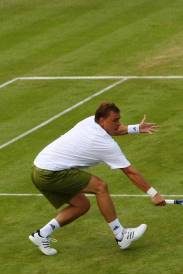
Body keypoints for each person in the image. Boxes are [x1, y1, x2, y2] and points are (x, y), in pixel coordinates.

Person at [29, 102, 165, 255]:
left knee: (81, 205)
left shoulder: (90, 121)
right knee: (100, 187)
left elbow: (114, 129)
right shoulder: (104, 144)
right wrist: (153, 193)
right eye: (114, 120)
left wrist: (135, 128)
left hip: (38, 168)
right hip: (51, 173)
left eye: (118, 119)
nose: (118, 124)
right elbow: (129, 171)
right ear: (101, 120)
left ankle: (41, 235)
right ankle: (121, 235)